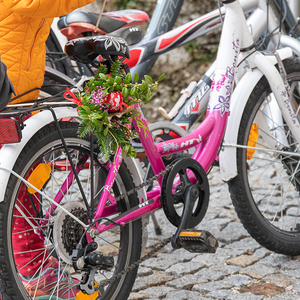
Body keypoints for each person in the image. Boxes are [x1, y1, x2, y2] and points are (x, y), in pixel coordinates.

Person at [0, 0, 95, 298]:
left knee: (28, 182)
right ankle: (32, 269)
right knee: (20, 187)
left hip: (18, 91)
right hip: (7, 92)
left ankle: (31, 264)